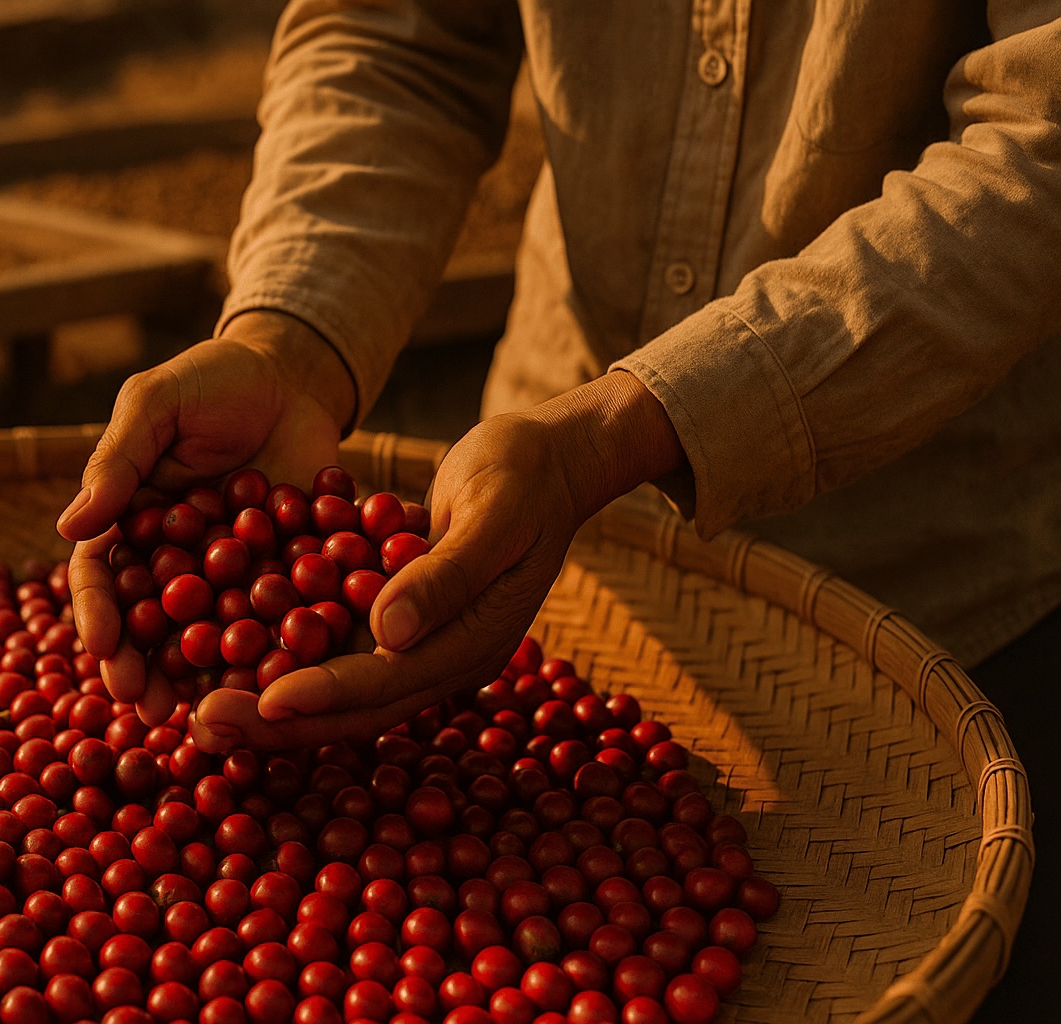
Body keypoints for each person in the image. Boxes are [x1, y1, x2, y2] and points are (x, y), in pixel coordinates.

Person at [57, 1, 1061, 754]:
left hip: (939, 581)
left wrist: (614, 432)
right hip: (544, 562)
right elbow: (398, 37)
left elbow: (1041, 141)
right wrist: (290, 341)